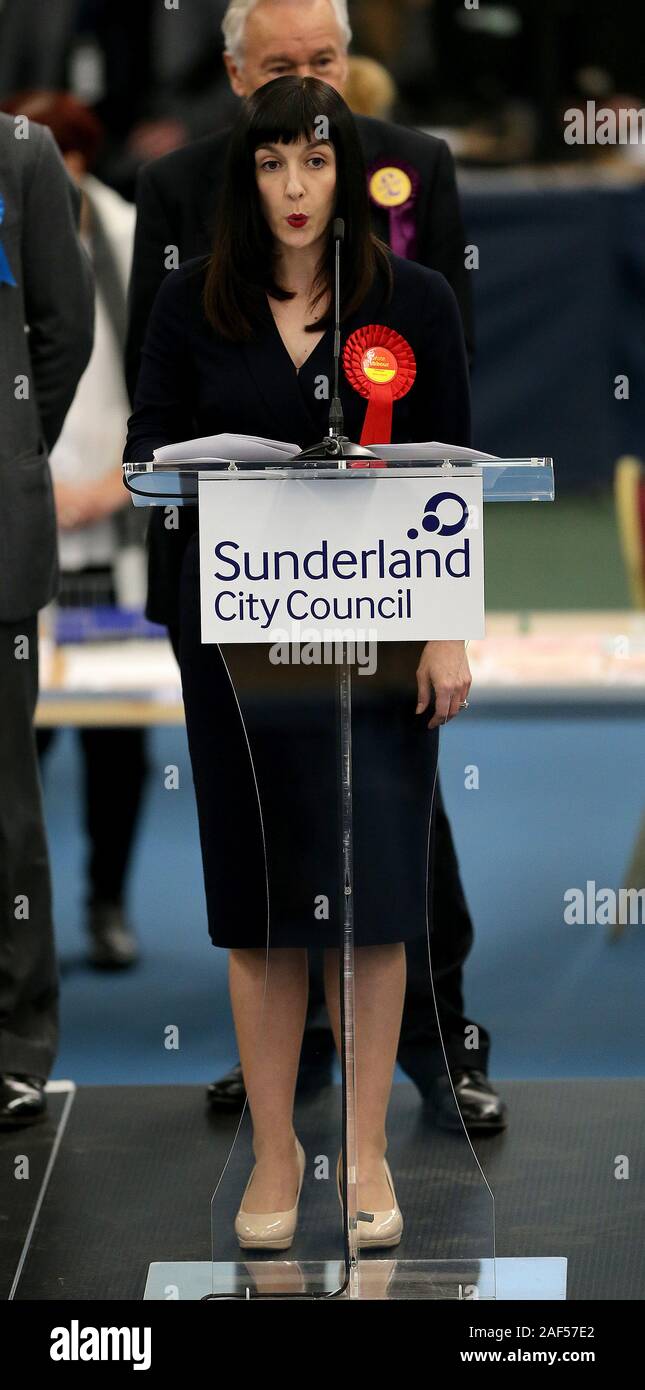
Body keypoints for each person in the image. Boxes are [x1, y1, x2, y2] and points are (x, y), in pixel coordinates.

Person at [126, 0, 505, 1135]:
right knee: (254, 833)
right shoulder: (179, 192)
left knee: (396, 836)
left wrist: (446, 613)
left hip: (383, 589)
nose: (310, 92)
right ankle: (284, 1070)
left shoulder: (414, 173)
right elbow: (159, 410)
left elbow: (446, 384)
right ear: (236, 74)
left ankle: (436, 1045)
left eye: (327, 63)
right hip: (236, 589)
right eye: (282, 71)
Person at [0, 91, 149, 969]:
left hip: (111, 532)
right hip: (24, 522)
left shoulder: (131, 236)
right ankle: (25, 929)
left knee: (118, 738)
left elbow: (156, 383)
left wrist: (110, 487)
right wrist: (32, 483)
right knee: (27, 741)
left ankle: (107, 903)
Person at [0, 110, 94, 1128]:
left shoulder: (21, 155)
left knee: (4, 808)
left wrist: (13, 450)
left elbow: (64, 334)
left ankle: (13, 1044)